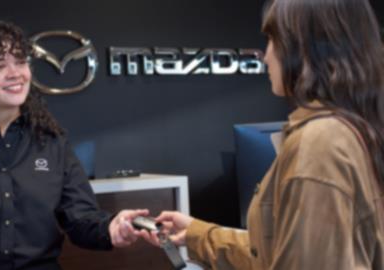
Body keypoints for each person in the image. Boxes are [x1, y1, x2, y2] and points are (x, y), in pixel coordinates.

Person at [145, 0, 384, 269]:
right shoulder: (349, 130)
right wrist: (196, 234)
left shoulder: (319, 144)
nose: (265, 55)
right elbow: (275, 252)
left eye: (273, 40)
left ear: (305, 49)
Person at [0, 20, 149, 269]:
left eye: (21, 62)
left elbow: (81, 219)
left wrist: (111, 228)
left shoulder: (51, 141)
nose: (15, 74)